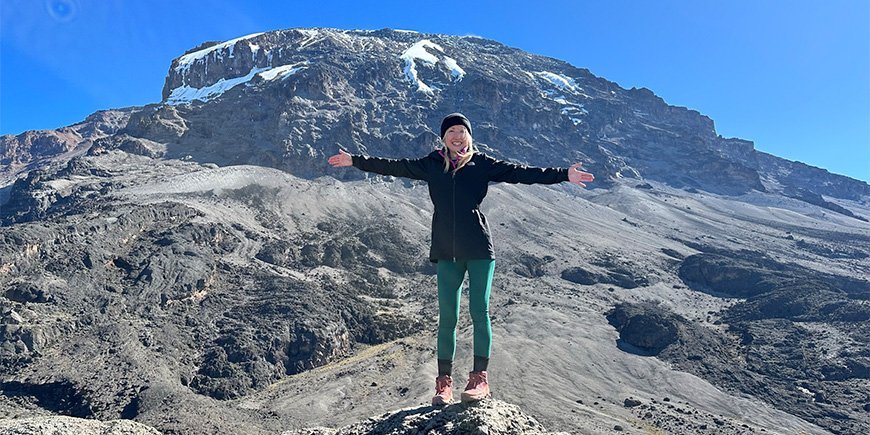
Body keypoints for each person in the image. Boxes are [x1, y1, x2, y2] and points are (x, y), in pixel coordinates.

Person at [327, 113, 594, 405]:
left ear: (469, 135)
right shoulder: (431, 164)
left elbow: (523, 173)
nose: (457, 135)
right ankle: (444, 385)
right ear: (444, 137)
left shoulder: (483, 164)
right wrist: (355, 160)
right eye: (451, 131)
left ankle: (479, 380)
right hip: (446, 252)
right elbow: (394, 166)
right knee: (448, 318)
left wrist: (563, 174)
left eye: (461, 131)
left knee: (480, 313)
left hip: (479, 250)